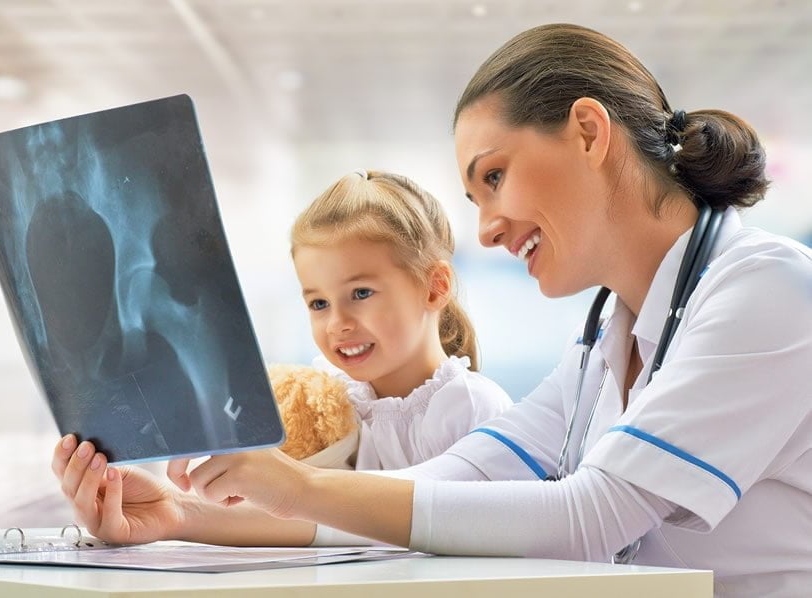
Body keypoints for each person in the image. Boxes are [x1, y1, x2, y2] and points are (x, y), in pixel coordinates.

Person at [52, 24, 811, 596]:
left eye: (495, 177)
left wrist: (295, 483)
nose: (485, 228)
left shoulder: (766, 291)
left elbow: (591, 515)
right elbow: (443, 487)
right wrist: (183, 520)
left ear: (587, 132)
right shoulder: (605, 339)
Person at [177, 169, 512, 474]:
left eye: (361, 293)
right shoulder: (328, 404)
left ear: (435, 287)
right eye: (319, 303)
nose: (337, 324)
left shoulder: (471, 408)